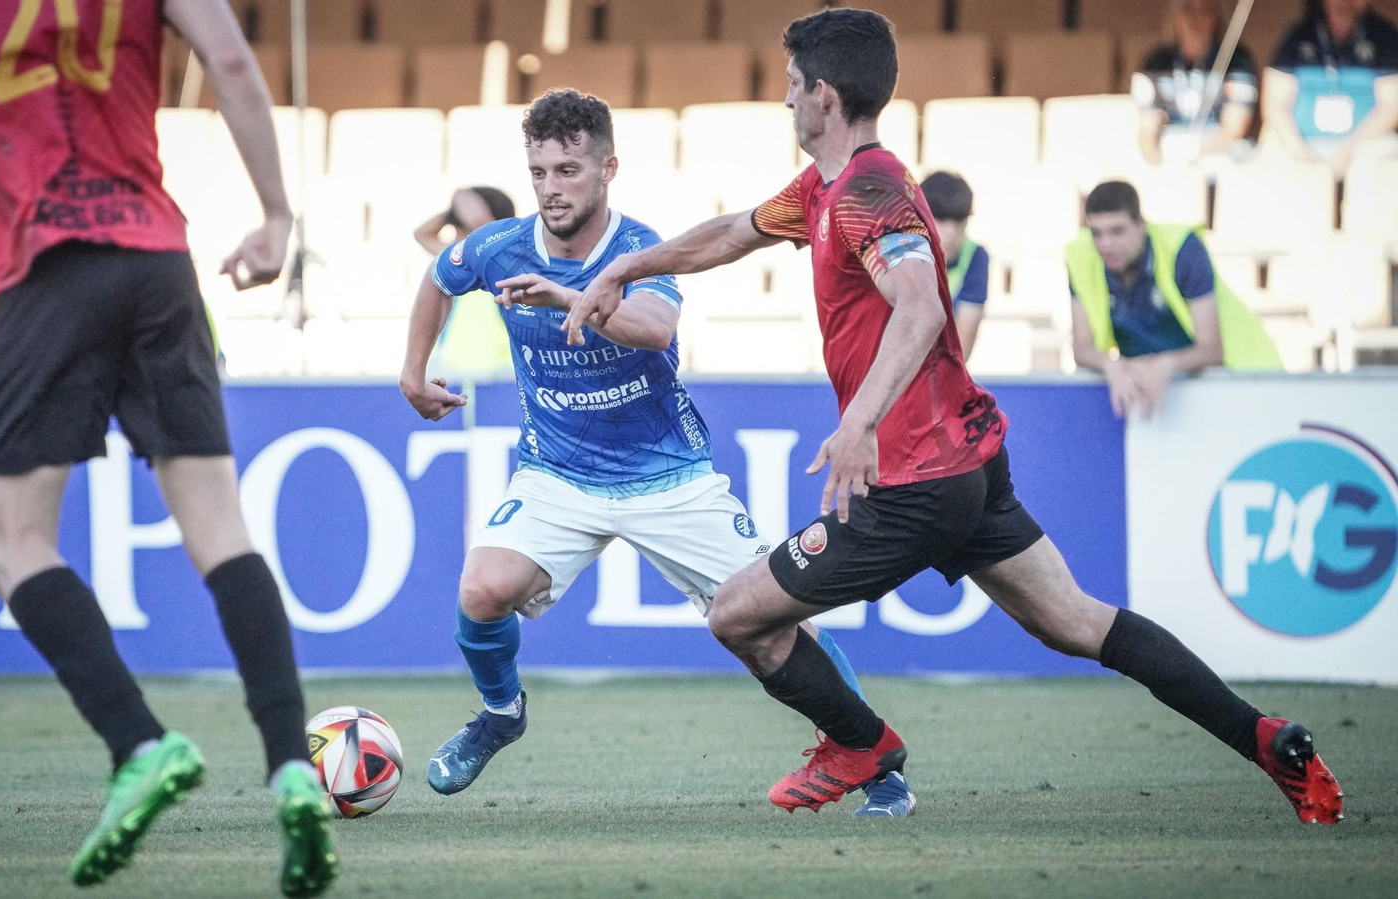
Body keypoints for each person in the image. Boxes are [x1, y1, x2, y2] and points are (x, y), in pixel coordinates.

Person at [566, 8, 1343, 825]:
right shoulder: (826, 187)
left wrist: (860, 420)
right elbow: (733, 232)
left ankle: (863, 745)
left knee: (736, 613)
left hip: (912, 483)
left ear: (824, 96)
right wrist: (628, 263)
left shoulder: (871, 194)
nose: (786, 101)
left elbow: (921, 310)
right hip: (968, 465)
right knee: (1077, 621)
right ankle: (1266, 738)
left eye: (792, 87)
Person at [0, 0, 336, 894]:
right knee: (221, 530)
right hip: (160, 262)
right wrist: (276, 215)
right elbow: (231, 63)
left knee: (10, 543)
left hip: (46, 266)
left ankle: (139, 743)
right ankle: (292, 766)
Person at [399, 88, 915, 818]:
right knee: (482, 589)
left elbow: (656, 329)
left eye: (568, 170)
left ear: (609, 168)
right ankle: (501, 713)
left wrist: (569, 298)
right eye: (539, 171)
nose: (551, 188)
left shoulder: (640, 248)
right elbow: (438, 278)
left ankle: (876, 764)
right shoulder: (498, 244)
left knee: (777, 626)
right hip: (557, 472)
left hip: (670, 478)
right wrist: (412, 372)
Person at [1066, 180, 1281, 418]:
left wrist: (1167, 365)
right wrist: (1110, 366)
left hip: (1239, 381)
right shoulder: (1081, 257)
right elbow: (1082, 349)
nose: (1106, 244)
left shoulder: (1182, 248)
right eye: (1096, 233)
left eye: (1117, 231)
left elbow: (1211, 349)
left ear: (1141, 225)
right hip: (1147, 396)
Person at [1262, 0, 1398, 175]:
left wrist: (1348, 149)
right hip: (1303, 143)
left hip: (1363, 145)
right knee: (1271, 157)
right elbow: (1275, 103)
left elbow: (1390, 107)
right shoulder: (1298, 34)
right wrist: (1300, 151)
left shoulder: (1385, 36)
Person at [1132, 0, 1259, 167]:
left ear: (1215, 17)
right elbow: (1148, 128)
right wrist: (1158, 163)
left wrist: (1195, 157)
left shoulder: (1238, 60)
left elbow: (1234, 127)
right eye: (1188, 10)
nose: (1195, 18)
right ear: (1176, 16)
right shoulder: (1156, 62)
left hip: (1218, 150)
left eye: (1204, 11)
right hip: (1173, 147)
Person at [413, 186, 518, 377]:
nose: (453, 241)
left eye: (458, 231)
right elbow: (421, 234)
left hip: (502, 379)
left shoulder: (502, 262)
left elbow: (481, 229)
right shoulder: (459, 267)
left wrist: (460, 201)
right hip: (455, 377)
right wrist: (453, 212)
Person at [919, 171, 988, 359]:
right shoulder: (896, 250)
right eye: (940, 220)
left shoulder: (976, 257)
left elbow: (960, 353)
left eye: (960, 221)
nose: (951, 232)